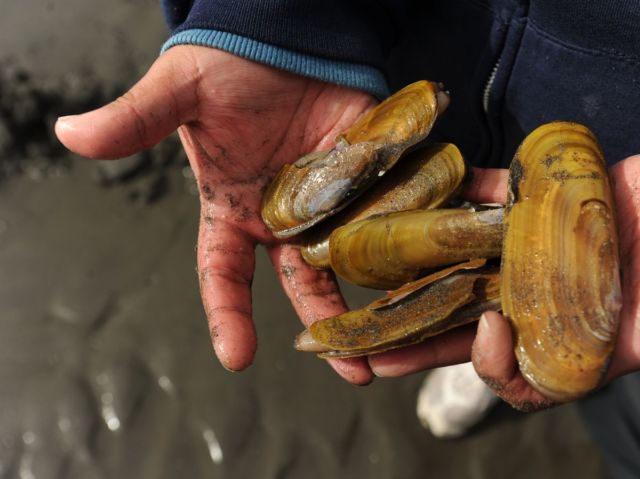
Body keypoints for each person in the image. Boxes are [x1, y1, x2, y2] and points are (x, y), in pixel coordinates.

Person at [55, 0, 640, 474]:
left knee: (594, 371)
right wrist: (275, 24)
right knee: (464, 256)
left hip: (622, 167)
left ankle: (520, 318)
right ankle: (487, 306)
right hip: (408, 87)